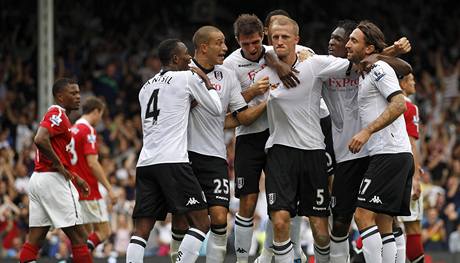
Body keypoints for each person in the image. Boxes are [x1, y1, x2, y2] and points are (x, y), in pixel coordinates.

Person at [255, 16, 353, 263]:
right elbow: (261, 52)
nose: (279, 42)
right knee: (279, 222)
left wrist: (388, 53)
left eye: (285, 37)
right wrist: (278, 65)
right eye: (275, 37)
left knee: (320, 231)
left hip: (312, 152)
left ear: (296, 40)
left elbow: (354, 61)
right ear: (269, 39)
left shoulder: (315, 63)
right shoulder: (263, 65)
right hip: (279, 152)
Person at [169, 25, 267, 263]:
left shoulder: (227, 75)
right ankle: (175, 258)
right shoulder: (183, 74)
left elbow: (239, 116)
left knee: (220, 219)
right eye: (219, 42)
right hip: (184, 155)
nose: (225, 48)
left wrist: (267, 102)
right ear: (204, 47)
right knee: (183, 218)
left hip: (215, 157)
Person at [125, 38, 222, 263]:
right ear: (175, 58)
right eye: (186, 54)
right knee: (202, 223)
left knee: (141, 230)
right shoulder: (186, 77)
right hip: (173, 161)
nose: (190, 57)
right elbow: (216, 109)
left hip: (146, 163)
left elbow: (170, 108)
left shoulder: (145, 87)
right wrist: (205, 81)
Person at [323, 20, 412, 263]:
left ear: (369, 48)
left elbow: (399, 104)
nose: (347, 44)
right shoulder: (365, 69)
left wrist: (367, 132)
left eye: (352, 40)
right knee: (384, 221)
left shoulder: (378, 69)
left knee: (363, 216)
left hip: (388, 152)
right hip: (389, 152)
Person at [223, 14, 300, 263]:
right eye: (246, 44)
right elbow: (230, 110)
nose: (252, 48)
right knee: (247, 202)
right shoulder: (230, 65)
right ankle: (243, 259)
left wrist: (281, 63)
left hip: (279, 135)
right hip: (248, 137)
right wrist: (251, 92)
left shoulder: (275, 51)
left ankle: (269, 254)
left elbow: (306, 55)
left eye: (256, 42)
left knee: (282, 203)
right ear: (237, 41)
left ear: (263, 35)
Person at [19, 78, 93, 263]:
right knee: (80, 238)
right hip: (53, 181)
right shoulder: (57, 113)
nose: (78, 97)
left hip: (39, 180)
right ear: (60, 97)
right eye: (73, 93)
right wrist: (60, 165)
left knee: (35, 239)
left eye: (78, 93)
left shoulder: (62, 118)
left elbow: (54, 154)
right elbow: (40, 139)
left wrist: (76, 178)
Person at [69, 96, 117, 252]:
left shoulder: (71, 130)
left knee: (85, 235)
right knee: (104, 231)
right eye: (101, 115)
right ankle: (73, 259)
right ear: (96, 111)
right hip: (89, 189)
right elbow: (92, 163)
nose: (100, 119)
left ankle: (78, 257)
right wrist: (109, 188)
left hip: (75, 189)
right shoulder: (87, 130)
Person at [397, 72, 425, 263]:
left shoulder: (382, 103)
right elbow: (411, 142)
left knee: (387, 224)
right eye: (411, 80)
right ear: (401, 83)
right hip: (406, 172)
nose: (414, 82)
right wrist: (415, 176)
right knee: (412, 227)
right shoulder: (408, 106)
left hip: (386, 168)